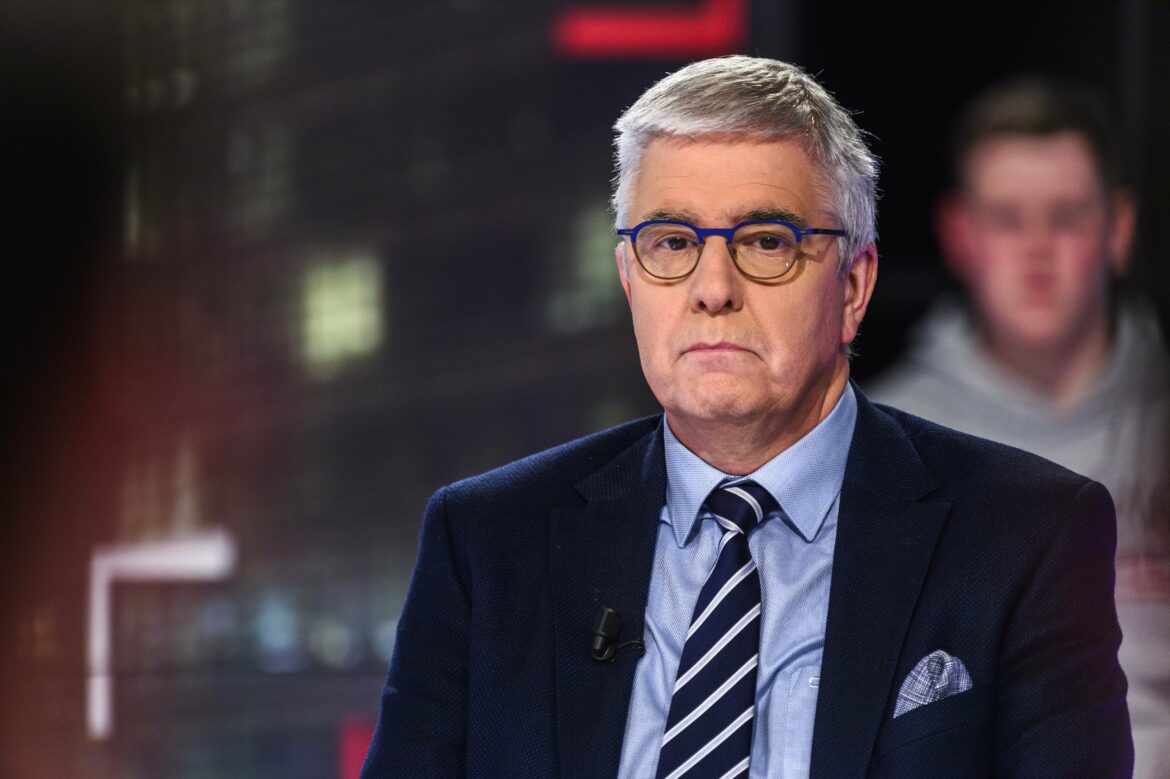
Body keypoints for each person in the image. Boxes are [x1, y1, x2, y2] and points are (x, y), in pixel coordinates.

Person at [362, 57, 1132, 777]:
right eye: (672, 242)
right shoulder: (486, 543)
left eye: (766, 242)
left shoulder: (1027, 536)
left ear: (853, 286)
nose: (713, 288)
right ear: (629, 278)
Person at [867, 76, 1170, 777]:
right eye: (1007, 218)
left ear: (1120, 229)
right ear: (960, 234)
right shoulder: (881, 447)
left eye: (1065, 216)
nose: (1037, 249)